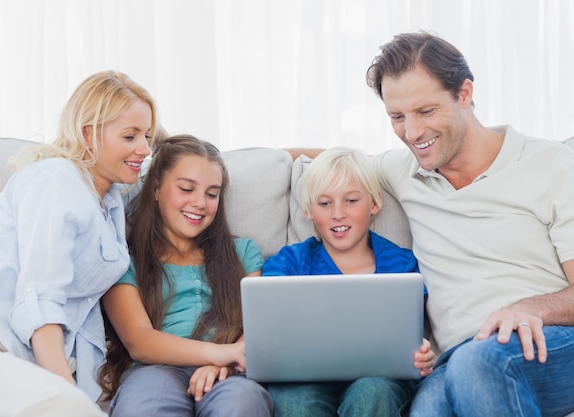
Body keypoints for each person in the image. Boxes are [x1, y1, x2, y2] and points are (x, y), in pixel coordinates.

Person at [365, 31, 574, 417]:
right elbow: (323, 163)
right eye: (397, 117)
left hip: (552, 342)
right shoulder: (401, 171)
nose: (411, 133)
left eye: (425, 112)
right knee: (429, 408)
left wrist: (533, 308)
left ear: (464, 93)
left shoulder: (552, 165)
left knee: (477, 363)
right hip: (454, 361)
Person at [0, 70, 156, 416]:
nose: (145, 149)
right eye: (130, 136)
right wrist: (65, 388)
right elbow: (39, 297)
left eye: (147, 135)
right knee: (66, 407)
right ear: (88, 134)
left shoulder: (110, 199)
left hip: (16, 359)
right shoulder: (57, 179)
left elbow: (170, 173)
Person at [97, 135, 273, 417]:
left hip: (228, 373)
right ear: (156, 188)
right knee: (147, 409)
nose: (200, 203)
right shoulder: (126, 262)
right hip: (153, 371)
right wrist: (222, 353)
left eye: (211, 194)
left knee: (242, 403)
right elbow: (139, 341)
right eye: (186, 188)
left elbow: (256, 326)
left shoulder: (243, 252)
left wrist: (227, 362)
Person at [262, 147, 435, 417]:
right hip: (302, 378)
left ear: (374, 204)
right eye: (325, 203)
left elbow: (415, 332)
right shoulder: (291, 263)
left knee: (373, 393)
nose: (338, 213)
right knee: (295, 401)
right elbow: (268, 319)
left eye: (351, 200)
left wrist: (421, 353)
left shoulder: (402, 265)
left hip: (379, 377)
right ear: (309, 210)